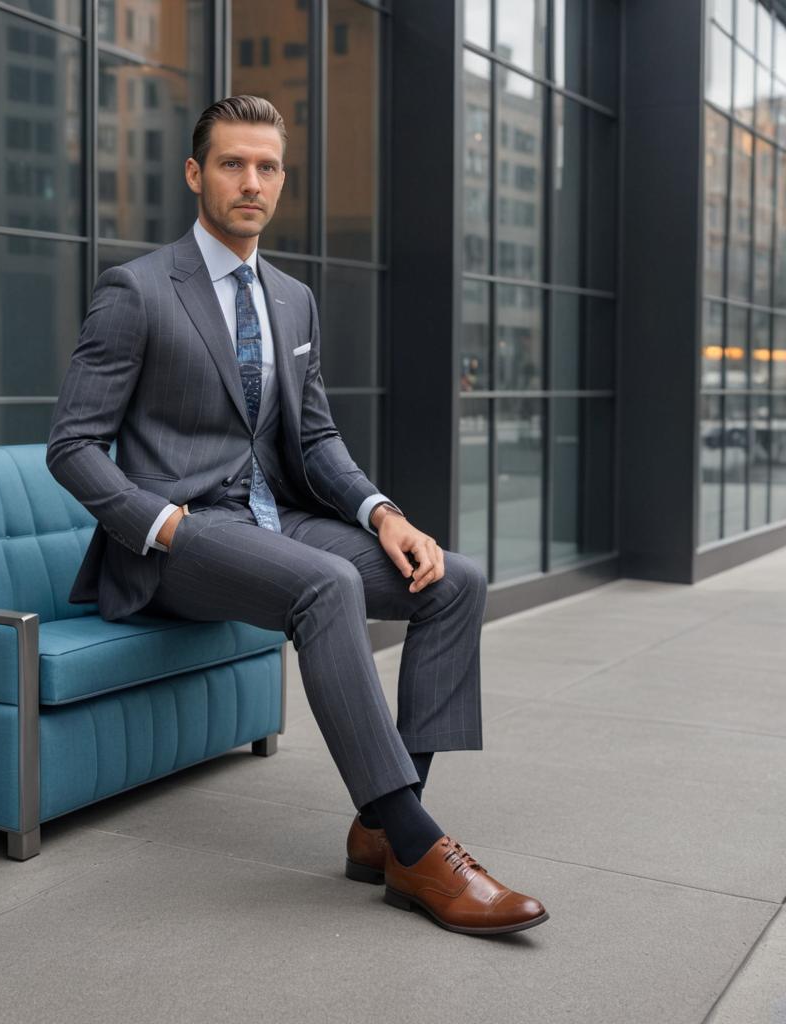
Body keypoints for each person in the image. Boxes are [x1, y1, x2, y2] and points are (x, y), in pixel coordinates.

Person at [47, 95, 548, 935]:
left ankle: (379, 829)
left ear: (282, 180)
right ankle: (423, 851)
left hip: (270, 524)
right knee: (323, 587)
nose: (252, 181)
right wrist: (162, 523)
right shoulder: (136, 291)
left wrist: (382, 512)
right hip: (177, 544)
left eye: (268, 166)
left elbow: (313, 440)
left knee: (452, 580)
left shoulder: (292, 300)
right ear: (195, 174)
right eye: (234, 163)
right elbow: (72, 446)